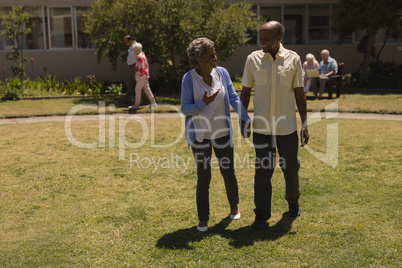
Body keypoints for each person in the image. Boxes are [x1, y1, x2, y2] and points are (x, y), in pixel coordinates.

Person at [240, 21, 309, 230]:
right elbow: (245, 91)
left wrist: (305, 123)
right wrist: (243, 118)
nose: (262, 41)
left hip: (286, 127)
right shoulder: (253, 60)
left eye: (266, 38)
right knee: (262, 171)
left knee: (290, 168)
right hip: (262, 128)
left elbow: (299, 93)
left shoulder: (293, 59)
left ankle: (293, 202)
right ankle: (261, 215)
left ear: (278, 38)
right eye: (260, 37)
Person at [181, 37, 251, 232]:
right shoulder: (189, 78)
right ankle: (203, 219)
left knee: (228, 172)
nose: (215, 58)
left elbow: (234, 98)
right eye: (210, 55)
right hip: (200, 137)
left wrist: (244, 117)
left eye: (214, 54)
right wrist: (203, 103)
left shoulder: (222, 73)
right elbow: (185, 109)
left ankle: (234, 207)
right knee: (204, 177)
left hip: (223, 133)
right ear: (198, 59)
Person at [128, 42, 157, 109]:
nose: (134, 51)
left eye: (134, 50)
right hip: (145, 76)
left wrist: (139, 75)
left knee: (137, 90)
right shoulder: (143, 55)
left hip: (141, 77)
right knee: (147, 89)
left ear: (138, 50)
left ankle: (136, 104)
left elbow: (141, 67)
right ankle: (153, 103)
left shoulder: (140, 57)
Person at [118, 35, 137, 105]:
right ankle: (126, 100)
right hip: (132, 67)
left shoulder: (136, 46)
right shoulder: (131, 47)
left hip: (136, 67)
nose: (126, 44)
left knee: (140, 84)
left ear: (130, 40)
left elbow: (139, 56)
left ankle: (146, 100)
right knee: (130, 84)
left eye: (126, 42)